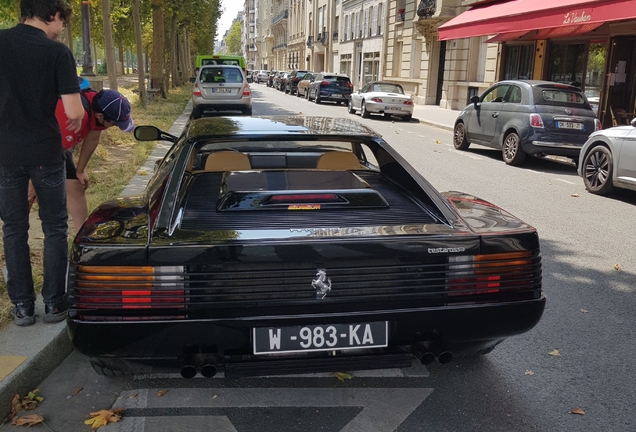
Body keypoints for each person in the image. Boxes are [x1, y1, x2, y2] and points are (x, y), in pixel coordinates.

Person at [0, 0, 85, 326]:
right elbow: (75, 111)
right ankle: (53, 304)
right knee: (53, 227)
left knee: (13, 228)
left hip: (6, 152)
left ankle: (22, 307)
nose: (61, 28)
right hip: (46, 153)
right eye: (62, 21)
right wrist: (75, 122)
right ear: (52, 15)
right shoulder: (57, 53)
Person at [46, 87, 134, 234]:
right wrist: (32, 185)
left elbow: (93, 137)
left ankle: (84, 235)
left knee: (75, 185)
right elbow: (51, 155)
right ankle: (16, 231)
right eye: (113, 123)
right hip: (38, 144)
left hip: (57, 146)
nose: (113, 127)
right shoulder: (73, 118)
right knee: (29, 193)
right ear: (100, 116)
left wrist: (80, 170)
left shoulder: (97, 104)